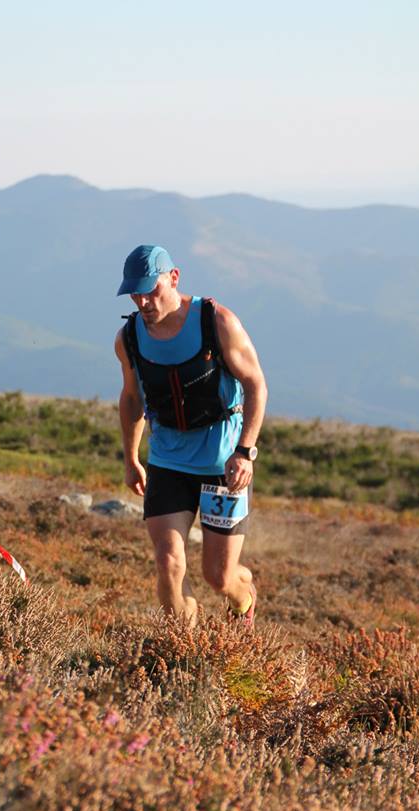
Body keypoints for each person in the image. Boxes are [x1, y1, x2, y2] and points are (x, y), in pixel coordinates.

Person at [114, 244, 268, 627]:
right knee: (168, 563)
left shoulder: (217, 322)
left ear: (174, 277)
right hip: (167, 462)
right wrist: (131, 458)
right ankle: (187, 648)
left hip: (223, 466)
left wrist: (245, 452)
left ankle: (244, 599)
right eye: (135, 294)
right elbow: (132, 399)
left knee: (219, 577)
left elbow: (255, 385)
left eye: (151, 290)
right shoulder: (129, 338)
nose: (143, 301)